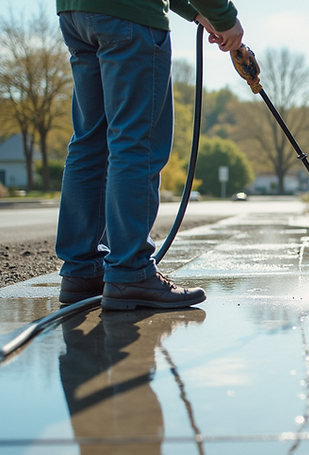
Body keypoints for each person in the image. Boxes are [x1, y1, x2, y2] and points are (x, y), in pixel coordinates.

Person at [55, 0, 244, 310]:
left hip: (76, 13)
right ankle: (130, 273)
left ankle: (82, 271)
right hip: (130, 15)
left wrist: (197, 13)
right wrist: (223, 16)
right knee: (134, 141)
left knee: (89, 141)